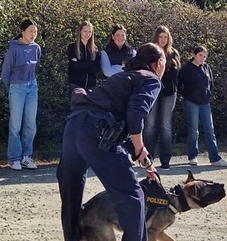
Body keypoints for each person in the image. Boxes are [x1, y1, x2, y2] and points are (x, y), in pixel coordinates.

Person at [56, 43, 165, 241]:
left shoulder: (123, 76)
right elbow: (135, 116)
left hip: (74, 126)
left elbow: (118, 125)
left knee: (71, 195)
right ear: (158, 63)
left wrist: (143, 157)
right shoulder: (151, 79)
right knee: (133, 197)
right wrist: (140, 150)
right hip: (96, 131)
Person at [0, 19, 42, 171]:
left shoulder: (36, 48)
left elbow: (36, 67)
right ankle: (14, 158)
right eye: (30, 31)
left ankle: (27, 156)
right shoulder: (14, 48)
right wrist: (10, 88)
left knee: (31, 124)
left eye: (35, 32)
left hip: (32, 86)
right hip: (17, 87)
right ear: (22, 32)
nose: (33, 34)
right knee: (15, 125)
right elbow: (6, 71)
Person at [177, 46, 227, 167]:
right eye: (200, 55)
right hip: (191, 102)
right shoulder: (186, 68)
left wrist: (208, 95)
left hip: (205, 103)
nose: (202, 58)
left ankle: (215, 158)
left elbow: (211, 83)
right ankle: (193, 156)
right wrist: (187, 95)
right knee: (194, 130)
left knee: (210, 130)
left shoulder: (206, 67)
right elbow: (180, 84)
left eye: (204, 56)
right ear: (194, 55)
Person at [143, 25, 181, 169]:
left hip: (169, 93)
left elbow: (176, 74)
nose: (163, 39)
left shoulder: (173, 53)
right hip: (152, 92)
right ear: (156, 37)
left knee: (165, 126)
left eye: (165, 37)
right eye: (161, 37)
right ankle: (148, 159)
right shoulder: (150, 52)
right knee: (150, 125)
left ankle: (166, 160)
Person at [67, 20, 101, 91]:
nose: (87, 34)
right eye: (85, 31)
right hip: (76, 86)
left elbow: (96, 68)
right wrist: (90, 64)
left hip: (91, 87)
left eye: (89, 32)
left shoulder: (95, 49)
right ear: (80, 31)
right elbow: (74, 66)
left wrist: (81, 64)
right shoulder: (72, 47)